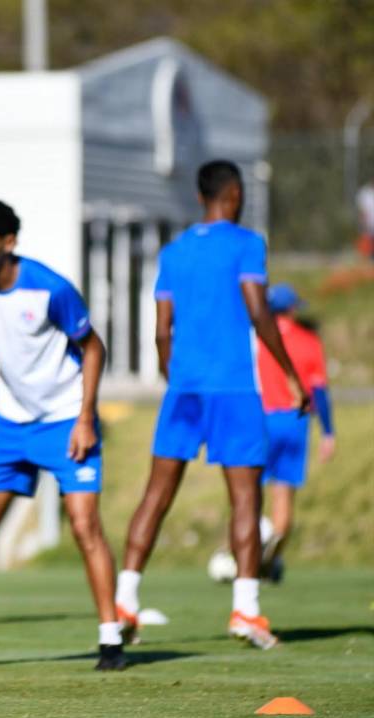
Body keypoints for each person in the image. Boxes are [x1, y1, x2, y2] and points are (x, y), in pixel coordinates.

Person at [116, 160, 309, 651]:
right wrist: (291, 374)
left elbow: (162, 330)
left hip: (184, 389)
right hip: (233, 389)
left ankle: (125, 601)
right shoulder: (247, 243)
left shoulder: (175, 251)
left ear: (202, 196)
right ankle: (246, 610)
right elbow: (259, 312)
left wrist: (172, 373)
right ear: (236, 193)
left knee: (156, 495)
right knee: (245, 497)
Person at [0, 201, 124, 671]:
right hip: (7, 425)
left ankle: (111, 639)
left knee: (86, 526)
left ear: (9, 244)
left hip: (67, 420)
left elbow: (93, 349)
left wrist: (86, 417)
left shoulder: (50, 289)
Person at [255, 283, 335, 581]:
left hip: (259, 420)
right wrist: (328, 432)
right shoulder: (308, 340)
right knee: (283, 494)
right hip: (294, 420)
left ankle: (249, 553)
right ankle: (271, 555)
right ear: (292, 309)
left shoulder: (258, 339)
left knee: (249, 493)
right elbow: (320, 391)